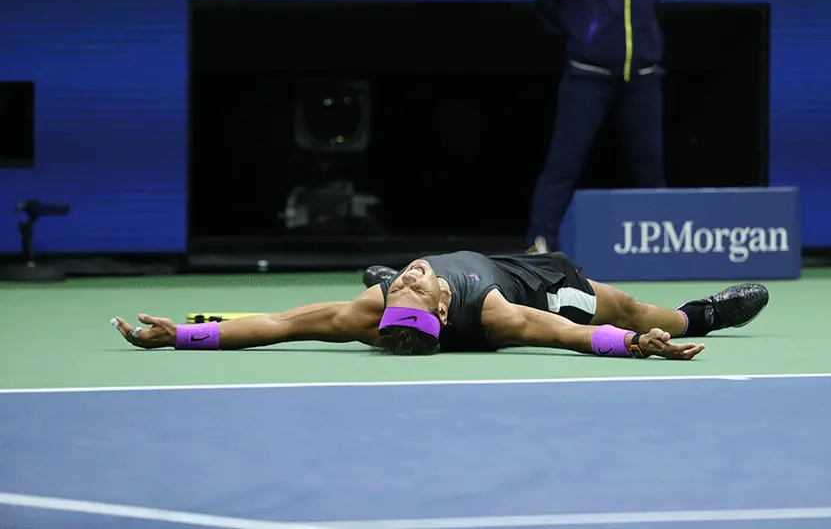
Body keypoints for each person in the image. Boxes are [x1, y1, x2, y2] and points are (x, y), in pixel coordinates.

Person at [112, 251, 768, 360]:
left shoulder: (373, 306)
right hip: (537, 283)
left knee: (343, 307)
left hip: (498, 269)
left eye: (403, 283)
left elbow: (282, 323)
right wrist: (635, 344)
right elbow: (568, 338)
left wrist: (185, 335)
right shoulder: (495, 317)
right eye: (409, 285)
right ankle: (700, 314)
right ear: (440, 309)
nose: (410, 277)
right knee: (620, 305)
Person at [527, 0, 670, 253]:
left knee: (651, 171)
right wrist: (583, 31)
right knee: (564, 164)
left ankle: (662, 248)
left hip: (643, 79)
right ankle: (540, 246)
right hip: (588, 76)